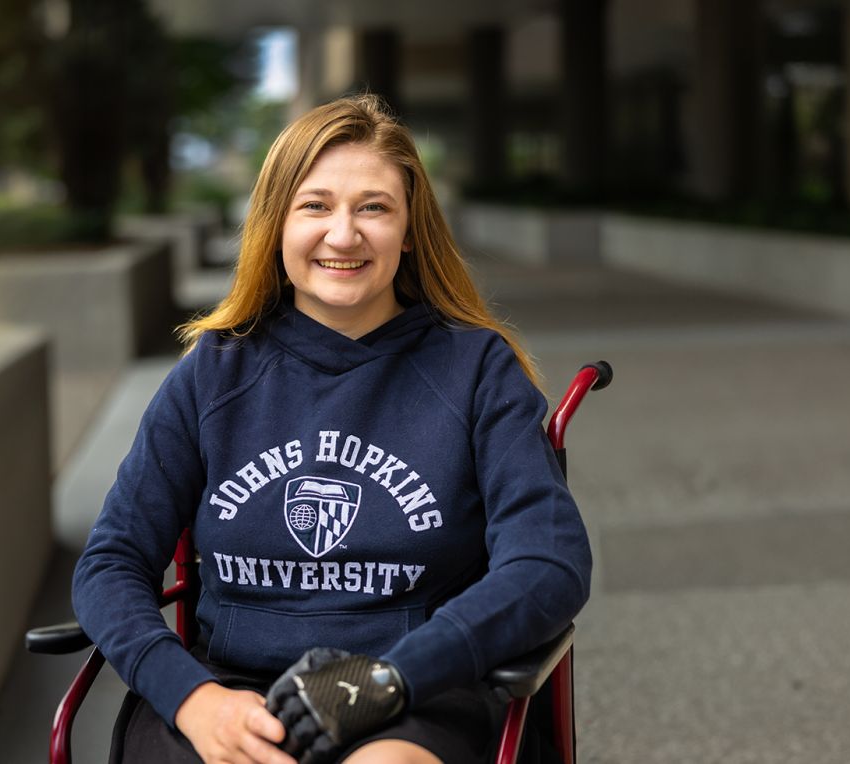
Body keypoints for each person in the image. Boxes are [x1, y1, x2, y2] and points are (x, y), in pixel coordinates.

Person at [72, 94, 592, 764]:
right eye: (315, 205)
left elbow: (548, 562)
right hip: (227, 689)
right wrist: (190, 697)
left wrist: (391, 679)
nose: (343, 235)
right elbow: (110, 562)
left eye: (372, 207)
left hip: (413, 692)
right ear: (275, 224)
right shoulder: (215, 372)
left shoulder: (474, 369)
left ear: (409, 231)